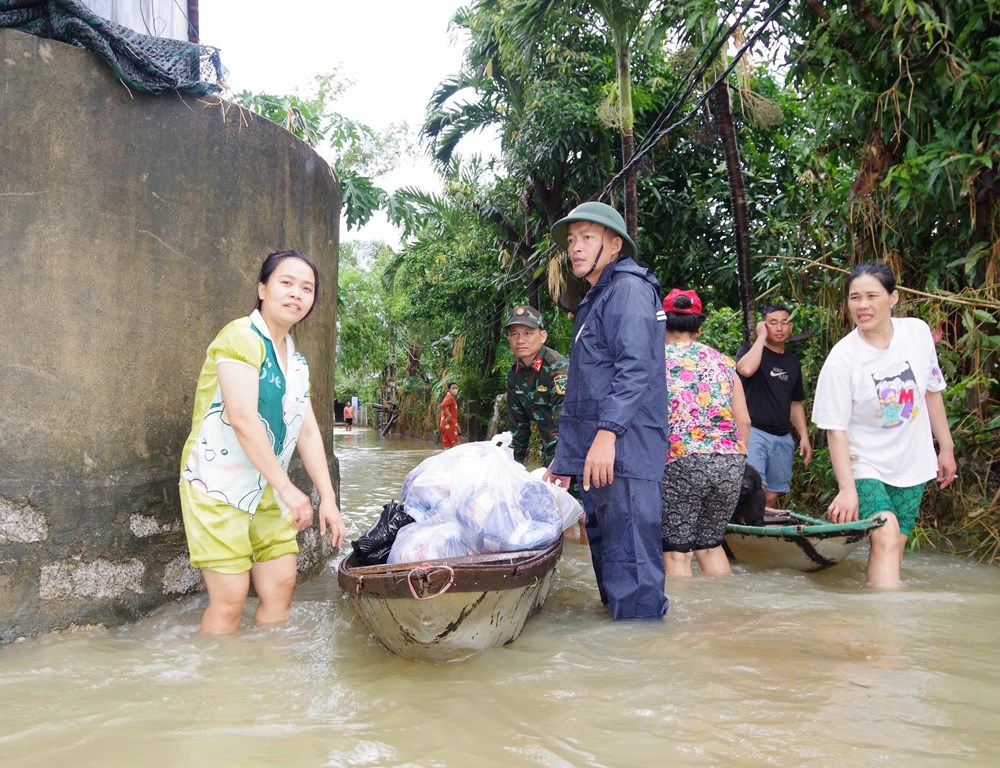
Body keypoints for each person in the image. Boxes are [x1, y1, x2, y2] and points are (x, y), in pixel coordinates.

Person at [179, 249, 346, 634]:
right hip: (217, 486)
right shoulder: (240, 337)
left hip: (267, 489)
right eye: (286, 283)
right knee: (230, 601)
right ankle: (221, 688)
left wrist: (328, 500)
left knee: (281, 585)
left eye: (307, 288)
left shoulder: (297, 361)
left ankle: (269, 681)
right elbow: (241, 417)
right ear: (262, 288)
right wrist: (290, 489)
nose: (296, 294)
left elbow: (306, 430)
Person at [544, 201, 669, 620]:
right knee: (613, 564)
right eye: (573, 239)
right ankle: (623, 657)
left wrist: (608, 433)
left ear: (615, 246)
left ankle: (642, 655)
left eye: (588, 238)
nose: (576, 248)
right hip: (601, 456)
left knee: (632, 565)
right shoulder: (598, 298)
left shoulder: (629, 290)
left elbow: (636, 368)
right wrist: (567, 460)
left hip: (624, 452)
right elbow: (586, 390)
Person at [811, 262, 957, 588]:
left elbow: (932, 393)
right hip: (865, 464)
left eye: (871, 296)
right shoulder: (842, 358)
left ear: (893, 297)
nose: (862, 305)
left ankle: (874, 622)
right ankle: (887, 628)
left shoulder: (917, 333)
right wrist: (847, 488)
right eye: (854, 298)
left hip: (912, 462)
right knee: (886, 534)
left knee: (893, 546)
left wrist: (945, 447)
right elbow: (835, 430)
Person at [660, 289, 751, 578]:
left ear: (662, 324)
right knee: (711, 546)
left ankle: (684, 622)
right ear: (699, 327)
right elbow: (744, 421)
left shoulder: (653, 362)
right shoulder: (724, 363)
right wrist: (737, 463)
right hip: (730, 462)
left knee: (677, 553)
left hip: (681, 460)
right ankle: (724, 614)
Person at [504, 304, 585, 542]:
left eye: (528, 333)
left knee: (585, 516)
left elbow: (567, 423)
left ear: (543, 335)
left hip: (579, 449)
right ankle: (567, 565)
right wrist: (508, 470)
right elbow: (517, 430)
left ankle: (586, 565)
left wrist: (560, 464)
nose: (520, 340)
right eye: (514, 333)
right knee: (557, 513)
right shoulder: (515, 374)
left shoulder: (559, 369)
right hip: (551, 451)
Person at [736, 303, 813, 508]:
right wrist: (760, 338)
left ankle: (762, 536)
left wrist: (803, 435)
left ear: (791, 327)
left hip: (782, 437)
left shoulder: (792, 362)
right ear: (763, 325)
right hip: (755, 432)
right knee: (754, 490)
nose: (779, 328)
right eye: (773, 323)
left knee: (772, 495)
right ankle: (748, 534)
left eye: (784, 323)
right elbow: (745, 369)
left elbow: (795, 403)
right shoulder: (749, 351)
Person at [439, 381, 461, 448]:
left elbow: (452, 413)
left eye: (456, 388)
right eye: (453, 388)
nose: (455, 390)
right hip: (448, 424)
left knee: (447, 446)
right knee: (456, 445)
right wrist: (449, 416)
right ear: (449, 389)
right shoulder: (450, 398)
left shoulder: (448, 397)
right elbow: (442, 406)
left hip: (444, 424)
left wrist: (457, 425)